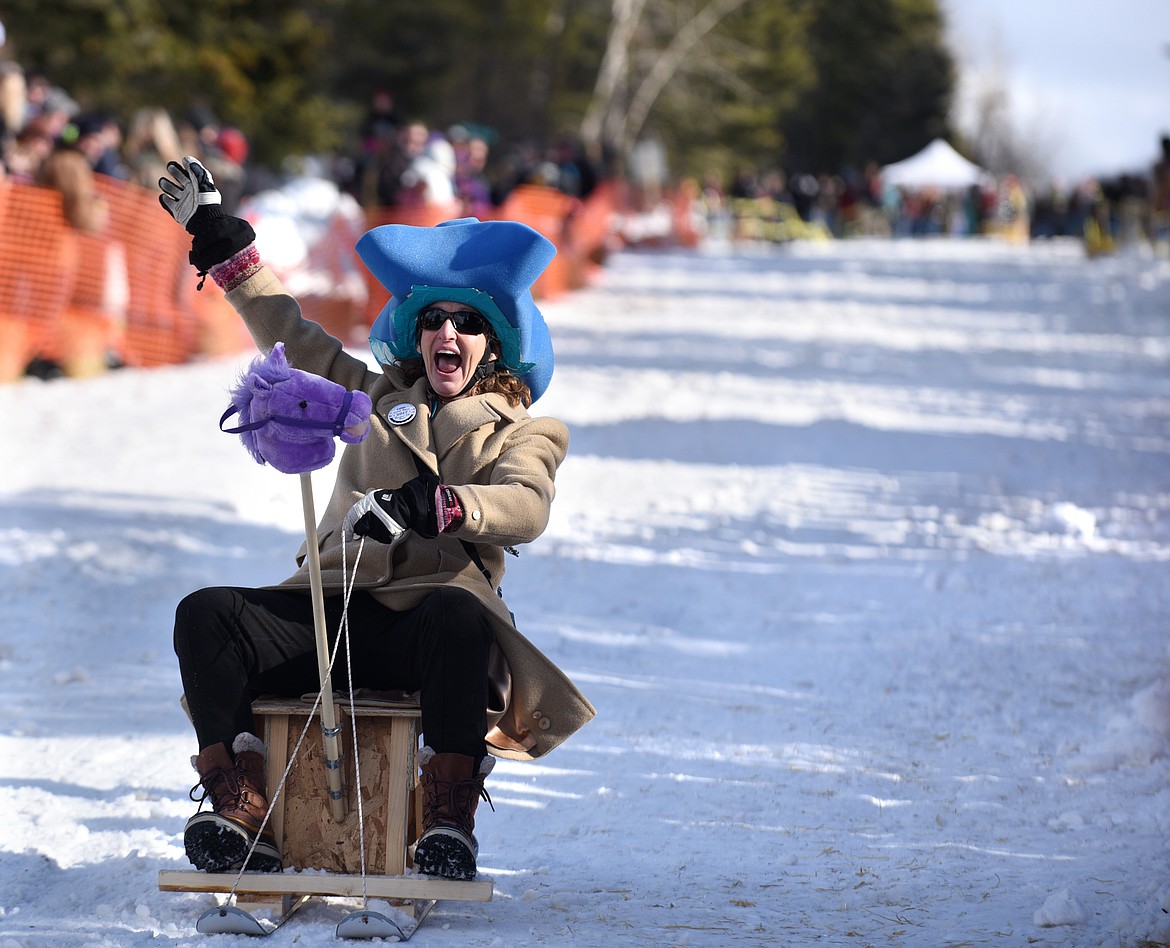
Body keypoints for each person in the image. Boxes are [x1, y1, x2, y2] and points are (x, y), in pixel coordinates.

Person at [158, 156, 594, 881]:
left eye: (467, 323)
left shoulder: (523, 432)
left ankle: (445, 818)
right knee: (206, 615)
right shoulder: (373, 397)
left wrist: (444, 506)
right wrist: (222, 242)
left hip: (427, 629)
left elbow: (528, 506)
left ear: (494, 344)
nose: (446, 333)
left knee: (461, 617)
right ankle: (242, 804)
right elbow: (295, 338)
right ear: (415, 336)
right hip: (333, 611)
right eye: (432, 320)